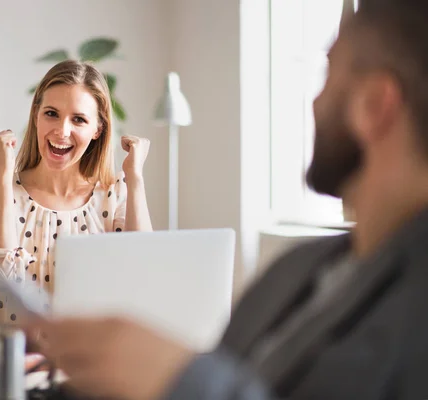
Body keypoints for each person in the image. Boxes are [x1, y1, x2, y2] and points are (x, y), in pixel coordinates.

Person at [25, 2, 428, 399]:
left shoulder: (412, 317)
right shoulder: (297, 271)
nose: (315, 101)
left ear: (375, 106)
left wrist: (180, 377)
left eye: (328, 74)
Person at [0, 60, 153, 325]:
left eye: (78, 119)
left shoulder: (116, 195)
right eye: (51, 114)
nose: (62, 131)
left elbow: (143, 276)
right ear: (36, 116)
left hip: (85, 362)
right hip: (10, 359)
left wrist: (135, 177)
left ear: (97, 130)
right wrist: (4, 173)